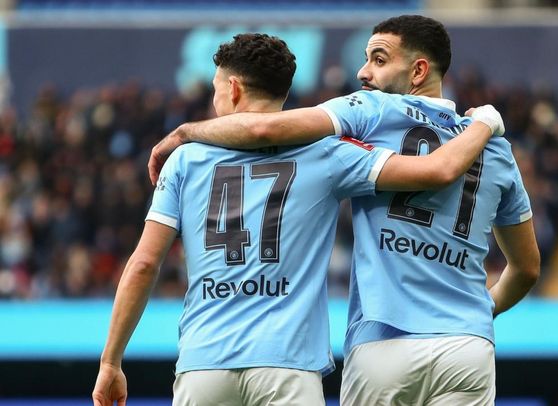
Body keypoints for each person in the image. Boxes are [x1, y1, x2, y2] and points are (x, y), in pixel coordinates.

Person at [93, 33, 504, 406]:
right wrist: (483, 124)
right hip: (289, 369)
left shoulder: (185, 160)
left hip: (204, 365)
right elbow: (432, 171)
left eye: (217, 90)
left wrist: (111, 361)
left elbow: (144, 264)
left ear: (232, 89)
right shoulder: (330, 154)